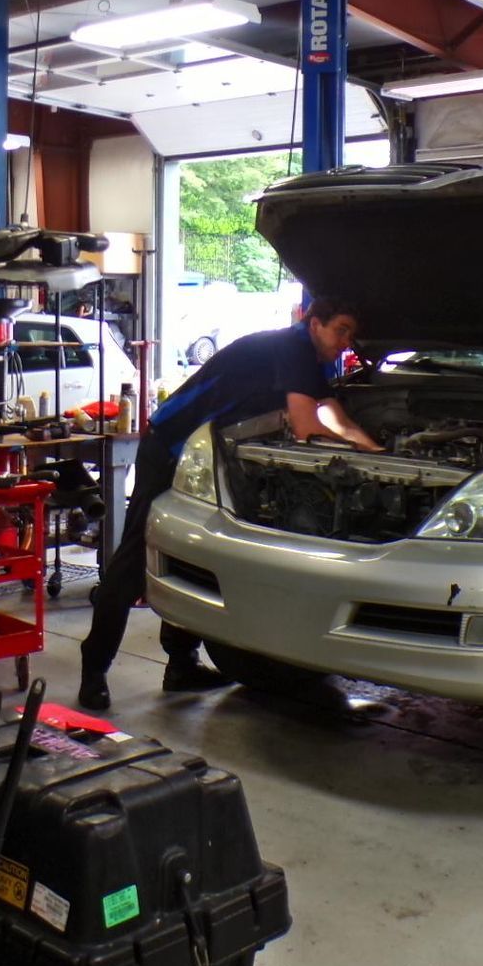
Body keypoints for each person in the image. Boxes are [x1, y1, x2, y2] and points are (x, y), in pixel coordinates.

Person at [78, 296, 380, 711]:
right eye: (341, 329)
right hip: (170, 447)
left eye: (352, 334)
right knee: (135, 558)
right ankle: (93, 672)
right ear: (314, 324)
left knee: (192, 552)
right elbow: (308, 427)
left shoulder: (314, 358)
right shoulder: (291, 348)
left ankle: (181, 666)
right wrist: (357, 451)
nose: (346, 341)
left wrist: (376, 449)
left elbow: (336, 417)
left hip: (213, 454)